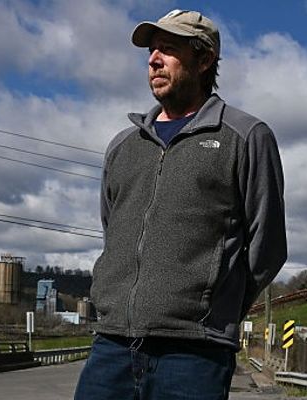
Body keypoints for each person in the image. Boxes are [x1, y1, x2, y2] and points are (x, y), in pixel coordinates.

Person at [74, 9, 287, 400]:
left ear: (204, 59)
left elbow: (268, 247)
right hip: (112, 347)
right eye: (152, 51)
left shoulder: (245, 136)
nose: (153, 59)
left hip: (194, 354)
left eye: (168, 50)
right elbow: (113, 229)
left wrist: (211, 308)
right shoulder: (123, 146)